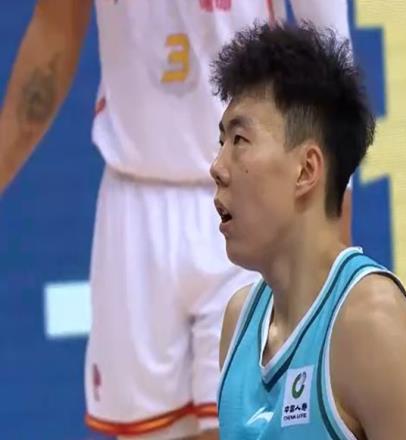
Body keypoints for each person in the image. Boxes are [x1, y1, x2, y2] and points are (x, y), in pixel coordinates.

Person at [0, 1, 352, 439]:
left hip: (250, 192)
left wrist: (328, 256)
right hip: (135, 200)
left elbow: (331, 56)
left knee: (246, 428)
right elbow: (56, 28)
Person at [212, 22, 406, 439]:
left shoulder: (373, 324)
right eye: (221, 142)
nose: (217, 167)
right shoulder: (239, 322)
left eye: (239, 140)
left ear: (306, 170)